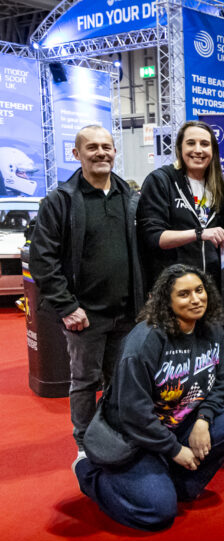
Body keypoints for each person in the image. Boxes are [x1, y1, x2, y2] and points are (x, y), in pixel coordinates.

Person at [73, 264, 224, 531]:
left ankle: (178, 485)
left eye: (199, 290)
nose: (196, 299)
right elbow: (133, 413)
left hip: (180, 423)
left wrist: (203, 419)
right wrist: (174, 450)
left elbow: (221, 381)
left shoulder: (212, 330)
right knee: (157, 515)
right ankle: (88, 473)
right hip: (135, 439)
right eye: (184, 294)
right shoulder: (145, 342)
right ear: (167, 300)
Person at [30, 124, 144, 460]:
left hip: (126, 313)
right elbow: (43, 259)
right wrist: (67, 306)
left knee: (120, 382)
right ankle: (83, 444)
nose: (101, 153)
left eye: (107, 147)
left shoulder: (130, 198)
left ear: (114, 152)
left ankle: (115, 437)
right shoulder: (60, 201)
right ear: (76, 154)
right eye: (92, 147)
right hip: (84, 316)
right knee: (84, 382)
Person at [137, 120, 224, 290]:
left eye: (204, 144)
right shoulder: (161, 180)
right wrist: (199, 233)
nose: (198, 150)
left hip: (212, 288)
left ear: (213, 151)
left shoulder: (221, 186)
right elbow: (154, 237)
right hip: (173, 288)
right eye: (190, 143)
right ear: (179, 148)